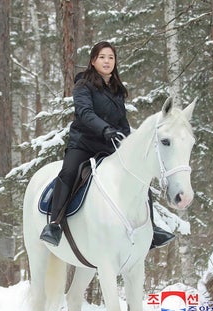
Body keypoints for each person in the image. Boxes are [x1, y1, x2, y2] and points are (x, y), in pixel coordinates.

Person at [38, 41, 175, 249]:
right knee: (68, 171)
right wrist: (104, 129)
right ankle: (54, 224)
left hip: (111, 145)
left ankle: (152, 227)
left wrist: (129, 141)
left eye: (111, 57)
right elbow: (85, 113)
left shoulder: (117, 90)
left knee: (139, 173)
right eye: (102, 57)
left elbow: (122, 121)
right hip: (84, 143)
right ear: (93, 61)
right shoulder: (83, 85)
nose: (107, 61)